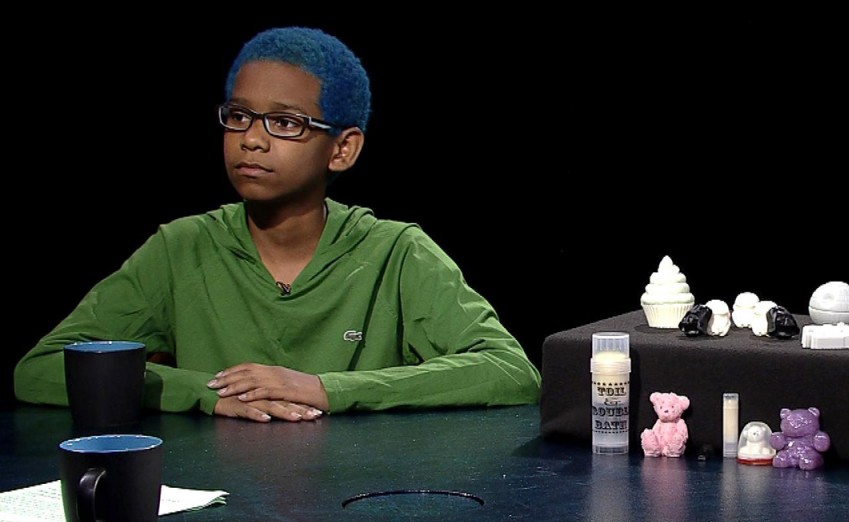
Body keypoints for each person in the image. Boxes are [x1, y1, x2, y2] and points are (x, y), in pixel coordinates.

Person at [14, 27, 540, 422]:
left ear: (342, 149)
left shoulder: (395, 252)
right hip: (210, 504)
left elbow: (511, 371)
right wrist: (207, 392)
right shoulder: (183, 247)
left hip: (361, 504)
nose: (252, 140)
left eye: (285, 123)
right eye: (239, 116)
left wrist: (323, 388)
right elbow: (40, 369)